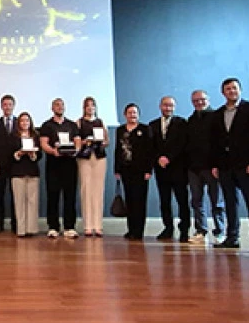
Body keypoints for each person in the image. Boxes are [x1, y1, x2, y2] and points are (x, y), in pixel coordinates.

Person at [211, 78, 249, 254]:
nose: (231, 91)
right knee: (229, 203)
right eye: (228, 89)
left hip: (246, 166)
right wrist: (216, 165)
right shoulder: (218, 113)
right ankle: (232, 237)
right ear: (223, 92)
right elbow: (215, 143)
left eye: (234, 88)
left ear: (240, 90)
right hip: (226, 166)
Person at [185, 90, 225, 245]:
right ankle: (201, 231)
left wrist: (217, 164)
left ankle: (220, 231)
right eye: (195, 101)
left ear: (208, 99)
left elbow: (220, 143)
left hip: (212, 168)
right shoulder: (191, 120)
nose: (199, 103)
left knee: (217, 202)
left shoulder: (216, 117)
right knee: (196, 201)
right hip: (194, 168)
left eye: (201, 99)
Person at [39, 98, 81, 240]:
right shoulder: (47, 125)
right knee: (53, 196)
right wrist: (53, 151)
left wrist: (76, 150)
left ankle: (69, 227)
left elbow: (77, 141)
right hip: (53, 165)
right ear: (52, 108)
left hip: (70, 165)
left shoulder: (72, 125)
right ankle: (53, 227)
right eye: (57, 105)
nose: (60, 107)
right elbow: (44, 143)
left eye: (62, 105)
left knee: (70, 196)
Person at [150, 96, 190, 241]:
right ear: (160, 106)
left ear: (174, 107)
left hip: (178, 169)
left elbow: (183, 144)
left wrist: (169, 158)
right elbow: (150, 146)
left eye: (170, 106)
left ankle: (184, 230)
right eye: (165, 105)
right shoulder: (153, 125)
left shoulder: (182, 123)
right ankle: (168, 228)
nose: (168, 108)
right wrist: (159, 158)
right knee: (164, 201)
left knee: (182, 201)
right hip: (161, 170)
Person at [114, 103, 154, 241]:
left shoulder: (145, 129)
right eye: (130, 112)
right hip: (126, 170)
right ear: (125, 114)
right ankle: (130, 229)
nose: (132, 115)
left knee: (139, 201)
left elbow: (150, 151)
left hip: (141, 171)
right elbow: (117, 150)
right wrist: (117, 169)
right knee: (129, 200)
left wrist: (148, 170)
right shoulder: (120, 130)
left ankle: (138, 231)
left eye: (135, 112)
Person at [76, 97, 109, 237]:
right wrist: (85, 142)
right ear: (84, 108)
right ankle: (88, 226)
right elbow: (76, 142)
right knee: (86, 189)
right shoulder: (79, 122)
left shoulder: (100, 122)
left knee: (98, 190)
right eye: (87, 106)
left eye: (92, 105)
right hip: (84, 157)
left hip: (99, 157)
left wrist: (101, 141)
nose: (90, 108)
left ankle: (98, 225)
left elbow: (107, 141)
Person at [0, 94, 19, 233]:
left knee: (15, 196)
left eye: (10, 104)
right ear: (1, 107)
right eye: (5, 105)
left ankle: (15, 223)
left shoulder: (19, 123)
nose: (7, 107)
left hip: (15, 165)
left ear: (13, 106)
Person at [10, 111, 41, 237]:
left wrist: (33, 154)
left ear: (30, 122)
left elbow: (40, 155)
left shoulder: (35, 136)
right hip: (17, 172)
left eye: (27, 120)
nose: (24, 123)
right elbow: (9, 154)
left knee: (32, 201)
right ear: (18, 123)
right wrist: (19, 153)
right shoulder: (13, 136)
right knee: (19, 202)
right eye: (22, 120)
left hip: (32, 172)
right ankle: (21, 230)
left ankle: (31, 229)